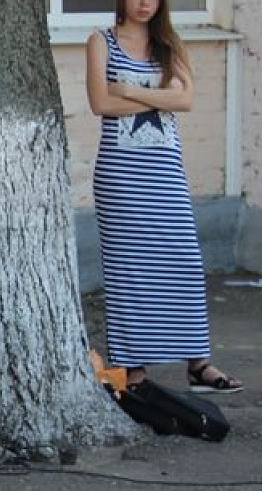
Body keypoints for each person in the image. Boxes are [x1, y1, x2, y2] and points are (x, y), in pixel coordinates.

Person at [85, 0, 243, 393]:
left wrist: (128, 89)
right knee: (129, 270)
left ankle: (198, 363)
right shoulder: (101, 42)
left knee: (182, 261)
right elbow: (100, 103)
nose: (144, 4)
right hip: (121, 174)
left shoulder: (170, 44)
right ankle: (133, 368)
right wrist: (160, 93)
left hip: (165, 172)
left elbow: (186, 101)